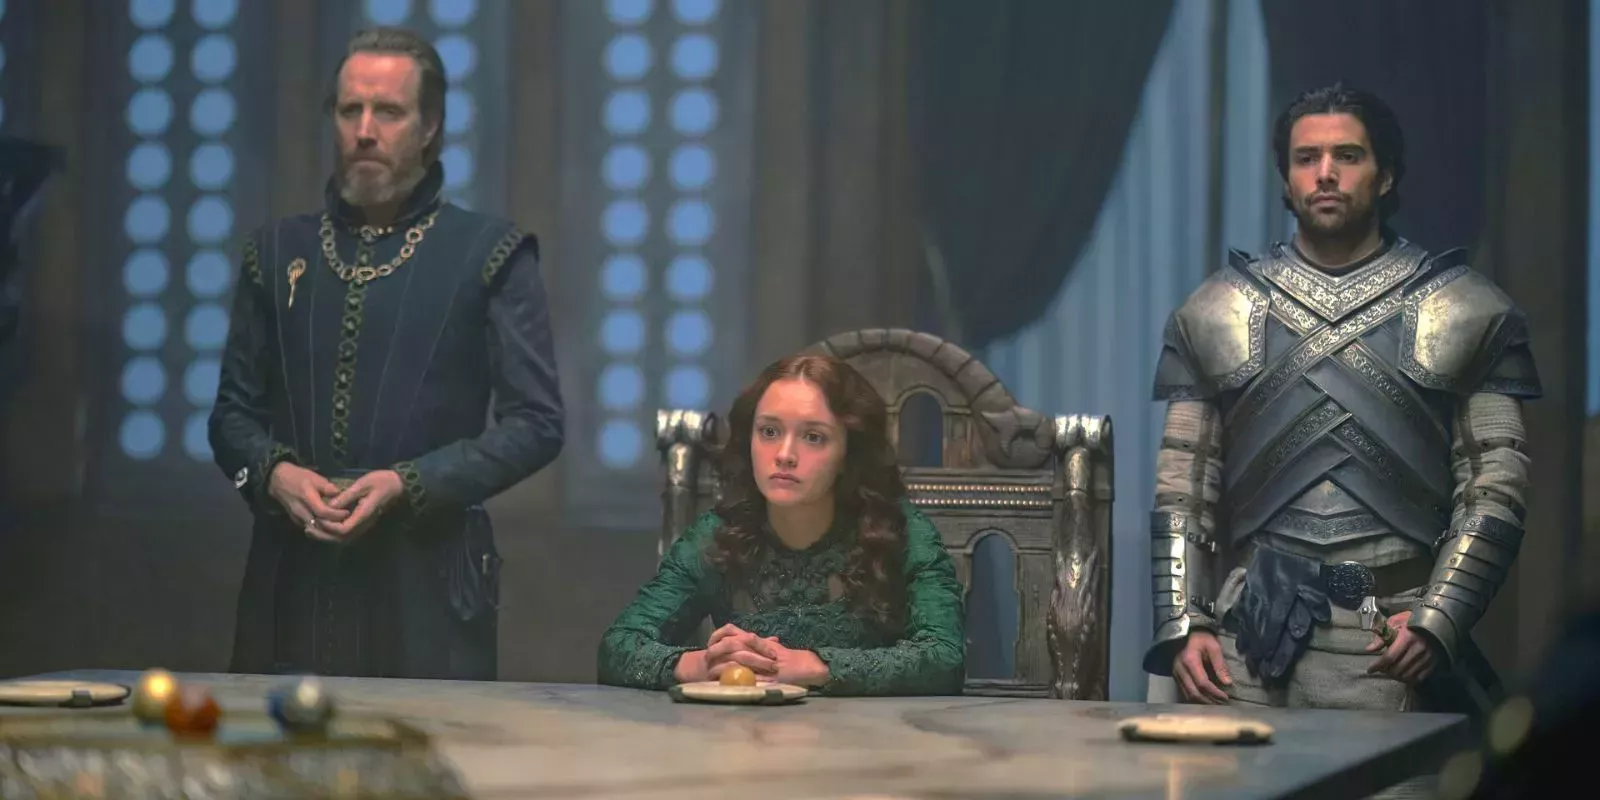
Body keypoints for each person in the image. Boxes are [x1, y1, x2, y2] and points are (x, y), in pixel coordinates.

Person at [1143, 83, 1538, 725]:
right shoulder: (1221, 310)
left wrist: (1442, 614)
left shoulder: (1463, 309)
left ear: (1386, 175)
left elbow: (1495, 484)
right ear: (1286, 177)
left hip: (1388, 644)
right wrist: (1185, 620)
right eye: (1307, 158)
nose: (1325, 173)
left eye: (1347, 155)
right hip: (1248, 642)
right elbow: (1181, 486)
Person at [209, 29, 564, 680]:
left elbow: (538, 425)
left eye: (389, 112)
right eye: (350, 110)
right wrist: (271, 475)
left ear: (430, 126)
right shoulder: (277, 252)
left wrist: (408, 484)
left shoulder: (490, 252)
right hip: (292, 578)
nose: (365, 131)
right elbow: (230, 417)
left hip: (428, 585)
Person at [597, 354, 965, 696]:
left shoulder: (900, 532)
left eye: (813, 437)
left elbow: (945, 659)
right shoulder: (718, 536)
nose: (785, 455)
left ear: (848, 454)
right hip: (740, 738)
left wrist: (816, 666)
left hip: (877, 739)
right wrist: (700, 665)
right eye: (769, 432)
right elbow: (617, 648)